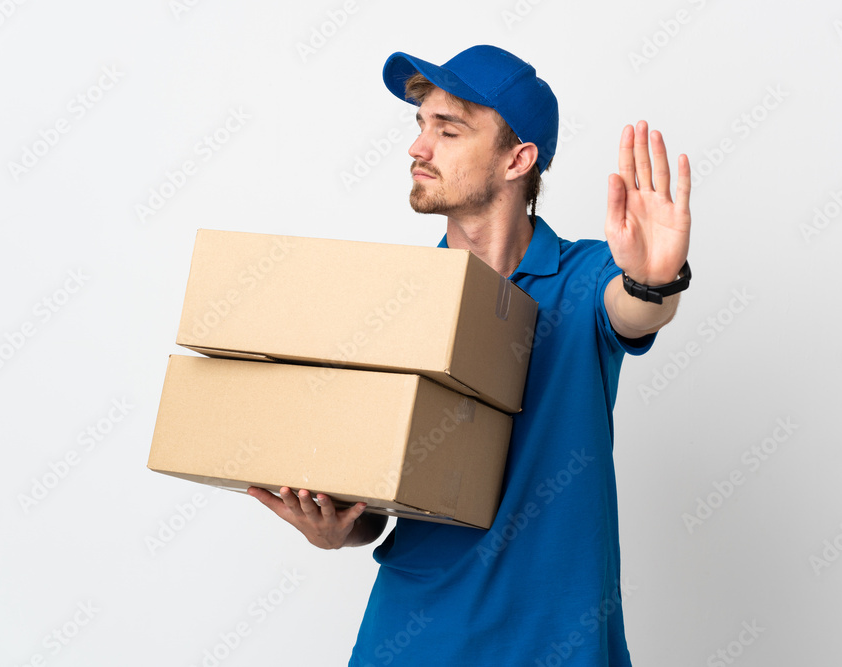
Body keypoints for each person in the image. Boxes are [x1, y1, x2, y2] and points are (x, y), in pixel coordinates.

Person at [247, 44, 692, 666]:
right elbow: (382, 495)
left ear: (518, 159)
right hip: (413, 639)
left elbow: (636, 310)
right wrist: (340, 528)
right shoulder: (400, 300)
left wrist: (653, 280)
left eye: (448, 130)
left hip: (556, 641)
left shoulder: (585, 275)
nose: (418, 147)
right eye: (420, 125)